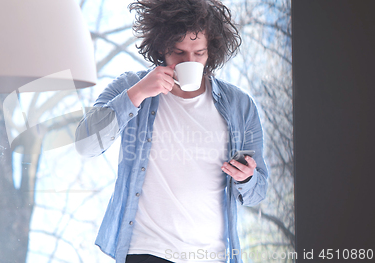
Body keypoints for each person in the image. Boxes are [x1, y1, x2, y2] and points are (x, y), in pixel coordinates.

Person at [75, 0, 269, 262]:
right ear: (161, 47)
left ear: (211, 50)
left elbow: (258, 192)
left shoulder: (240, 105)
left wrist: (246, 178)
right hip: (147, 251)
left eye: (199, 53)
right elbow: (86, 144)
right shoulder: (131, 86)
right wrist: (138, 93)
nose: (190, 62)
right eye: (179, 52)